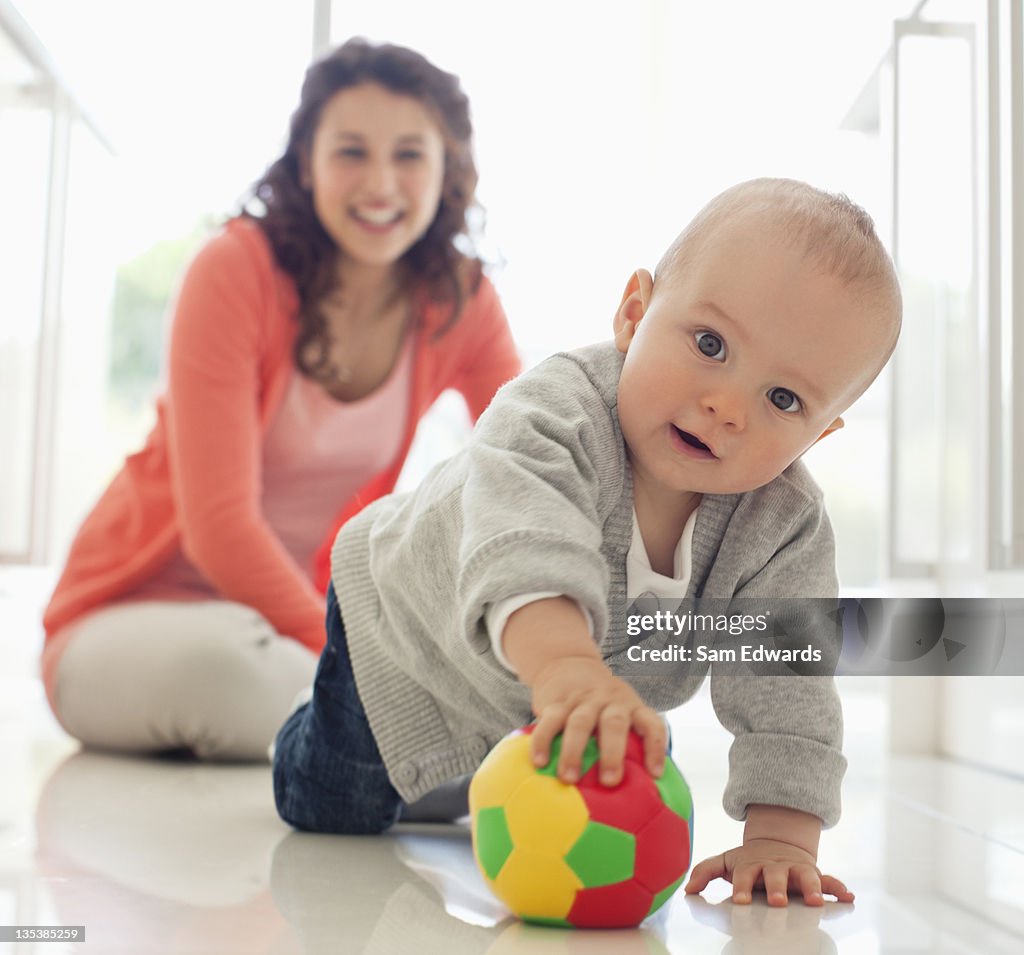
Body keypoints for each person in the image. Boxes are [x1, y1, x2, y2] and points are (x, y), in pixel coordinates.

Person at [272, 178, 902, 906]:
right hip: (404, 631)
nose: (726, 406)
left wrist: (783, 836)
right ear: (635, 314)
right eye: (709, 344)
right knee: (335, 807)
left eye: (783, 399)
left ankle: (466, 762)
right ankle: (300, 719)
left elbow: (785, 681)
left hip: (552, 687)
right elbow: (521, 545)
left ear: (816, 435)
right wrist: (568, 666)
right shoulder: (552, 414)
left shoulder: (782, 523)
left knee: (542, 767)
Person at [40, 39, 521, 762]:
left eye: (410, 155)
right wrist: (364, 661)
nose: (381, 182)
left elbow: (529, 464)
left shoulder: (460, 299)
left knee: (434, 672)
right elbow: (219, 527)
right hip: (126, 620)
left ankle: (434, 755)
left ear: (448, 167)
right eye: (351, 151)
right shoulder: (234, 269)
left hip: (286, 628)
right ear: (307, 163)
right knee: (229, 664)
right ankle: (434, 760)